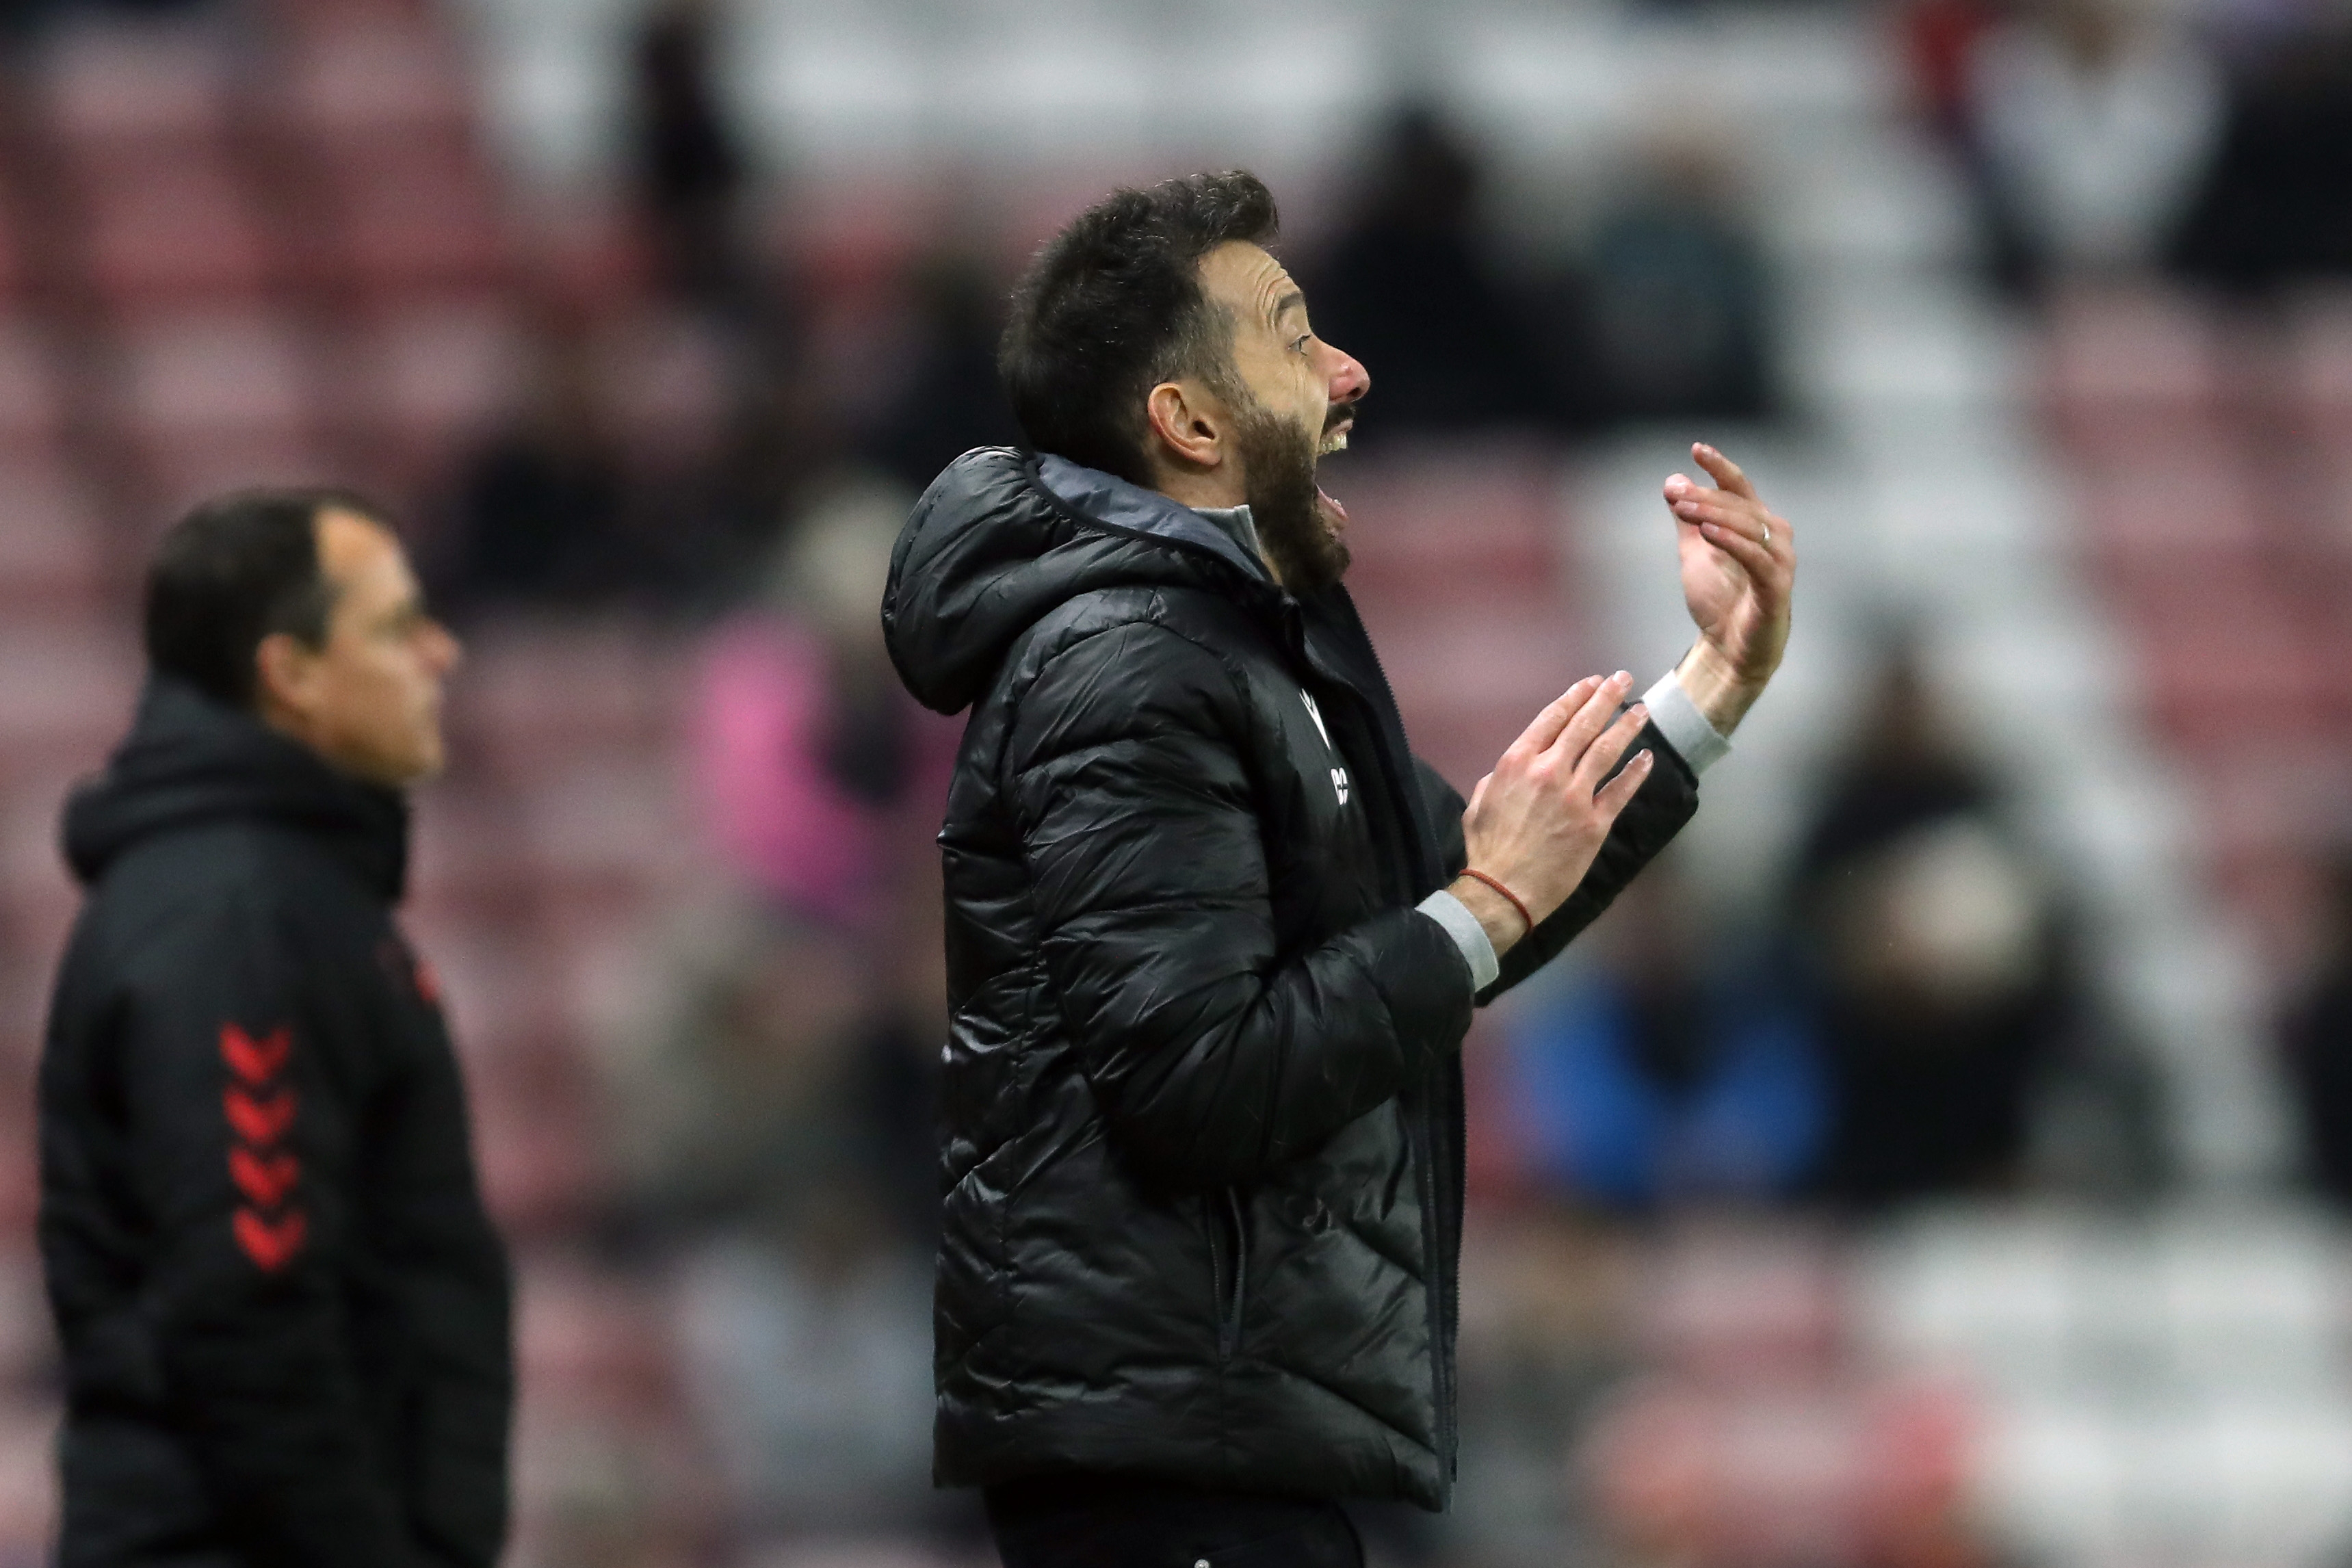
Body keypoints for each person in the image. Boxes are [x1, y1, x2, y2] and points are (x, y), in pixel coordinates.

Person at [880, 170, 1796, 1566]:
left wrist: (1703, 700)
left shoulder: (1231, 647)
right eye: (1295, 339)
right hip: (1168, 1462)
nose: (1349, 372)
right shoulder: (1128, 665)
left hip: (1227, 1441)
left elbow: (1454, 910)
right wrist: (1481, 904)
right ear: (1187, 423)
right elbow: (1204, 1079)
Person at [38, 490, 512, 1567]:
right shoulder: (237, 921)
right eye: (394, 628)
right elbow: (245, 1305)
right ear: (289, 675)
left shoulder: (288, 899)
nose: (441, 654)